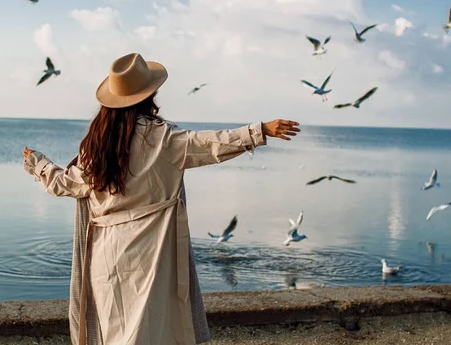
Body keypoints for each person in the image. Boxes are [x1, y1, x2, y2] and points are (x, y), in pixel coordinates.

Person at [22, 53, 300, 345]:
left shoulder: (96, 146)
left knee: (114, 331)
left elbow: (65, 183)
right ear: (149, 95)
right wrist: (259, 131)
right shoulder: (162, 138)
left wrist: (38, 163)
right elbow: (208, 144)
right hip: (150, 254)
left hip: (105, 255)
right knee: (151, 334)